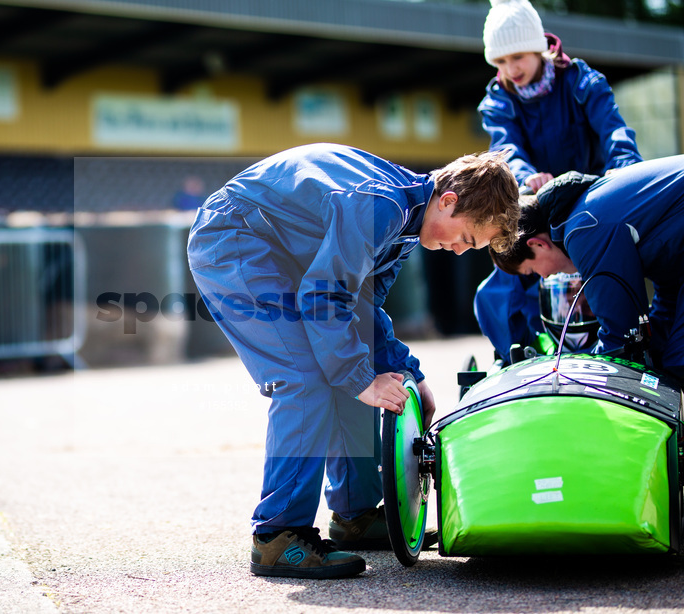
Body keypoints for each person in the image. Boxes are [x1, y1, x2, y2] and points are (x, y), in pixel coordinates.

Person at [187, 143, 519, 579]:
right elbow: (327, 297)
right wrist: (360, 378)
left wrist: (408, 374)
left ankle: (354, 515)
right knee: (306, 379)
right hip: (234, 237)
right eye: (466, 238)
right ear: (449, 200)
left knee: (360, 372)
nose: (459, 251)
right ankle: (277, 536)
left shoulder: (405, 224)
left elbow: (361, 311)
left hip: (277, 247)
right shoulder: (380, 207)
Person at [473, 0, 643, 361]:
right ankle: (522, 356)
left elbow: (614, 131)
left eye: (517, 56)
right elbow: (505, 147)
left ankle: (625, 348)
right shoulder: (498, 100)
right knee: (507, 273)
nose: (510, 69)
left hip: (590, 202)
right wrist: (524, 175)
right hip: (533, 202)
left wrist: (624, 168)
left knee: (621, 262)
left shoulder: (582, 81)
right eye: (499, 62)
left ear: (538, 48)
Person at [490, 156, 684, 378]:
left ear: (538, 244)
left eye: (532, 271)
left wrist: (570, 375)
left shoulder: (583, 229)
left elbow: (620, 332)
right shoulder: (587, 207)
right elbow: (669, 291)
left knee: (679, 360)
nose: (543, 276)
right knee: (671, 357)